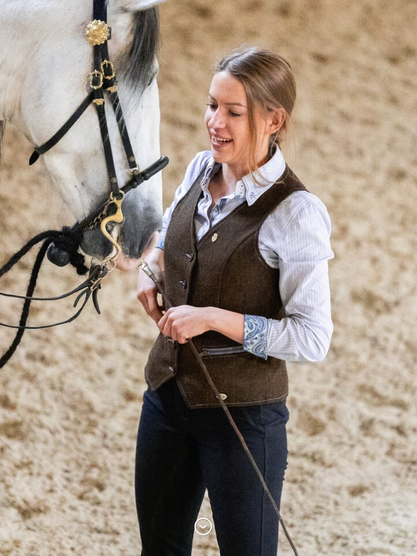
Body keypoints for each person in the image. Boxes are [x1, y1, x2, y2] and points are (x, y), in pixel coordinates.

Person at [133, 46, 334, 556]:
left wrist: (214, 319)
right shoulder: (201, 168)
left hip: (245, 418)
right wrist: (148, 268)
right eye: (211, 105)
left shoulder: (297, 213)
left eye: (233, 112)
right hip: (167, 398)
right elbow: (166, 233)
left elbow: (312, 338)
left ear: (274, 120)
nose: (214, 122)